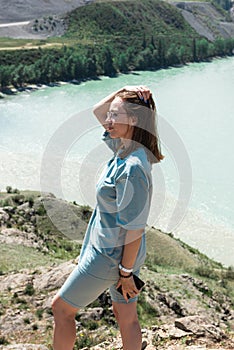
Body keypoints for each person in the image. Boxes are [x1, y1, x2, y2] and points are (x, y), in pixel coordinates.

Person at [51, 85, 164, 350]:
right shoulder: (124, 147)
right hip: (119, 255)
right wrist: (123, 90)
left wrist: (125, 273)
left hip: (109, 257)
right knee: (126, 316)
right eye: (110, 116)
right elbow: (97, 111)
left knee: (61, 310)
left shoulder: (131, 167)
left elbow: (135, 229)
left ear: (133, 120)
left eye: (115, 116)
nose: (108, 121)